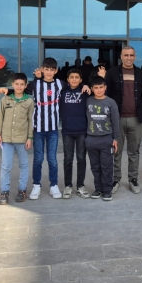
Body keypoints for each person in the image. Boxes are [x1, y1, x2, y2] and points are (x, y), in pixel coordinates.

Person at [0, 58, 89, 201]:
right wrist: (7, 90)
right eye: (47, 69)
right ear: (42, 69)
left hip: (53, 129)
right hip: (38, 129)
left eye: (52, 69)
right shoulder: (35, 84)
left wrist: (85, 85)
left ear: (56, 71)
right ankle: (36, 185)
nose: (49, 72)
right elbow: (19, 89)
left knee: (52, 159)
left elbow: (74, 84)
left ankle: (54, 185)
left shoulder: (60, 84)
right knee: (38, 158)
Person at [105, 46, 142, 194]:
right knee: (116, 151)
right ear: (121, 57)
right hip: (117, 119)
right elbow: (107, 94)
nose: (129, 58)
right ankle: (116, 179)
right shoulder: (112, 73)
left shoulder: (140, 74)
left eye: (131, 55)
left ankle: (133, 179)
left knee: (134, 151)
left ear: (134, 57)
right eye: (126, 55)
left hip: (136, 119)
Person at [0, 73, 34, 205]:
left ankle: (22, 190)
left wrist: (29, 137)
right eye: (16, 84)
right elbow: (0, 117)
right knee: (6, 166)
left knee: (23, 165)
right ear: (12, 84)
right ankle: (4, 191)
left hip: (22, 139)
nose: (19, 86)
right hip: (7, 139)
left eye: (22, 84)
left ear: (26, 86)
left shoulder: (29, 102)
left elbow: (30, 121)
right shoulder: (5, 100)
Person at [85, 76, 120, 201]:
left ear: (105, 87)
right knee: (95, 166)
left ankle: (107, 190)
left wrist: (116, 138)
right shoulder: (88, 101)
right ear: (91, 89)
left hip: (106, 139)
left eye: (101, 87)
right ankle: (98, 189)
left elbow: (115, 122)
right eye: (96, 88)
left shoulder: (111, 102)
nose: (99, 90)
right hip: (91, 139)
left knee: (106, 166)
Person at [59, 68, 90, 199]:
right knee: (68, 159)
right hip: (67, 131)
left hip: (82, 130)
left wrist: (87, 86)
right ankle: (68, 185)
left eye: (77, 77)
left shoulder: (85, 92)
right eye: (71, 77)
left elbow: (99, 92)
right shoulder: (62, 92)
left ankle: (81, 185)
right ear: (67, 79)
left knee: (81, 158)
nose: (74, 79)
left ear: (81, 80)